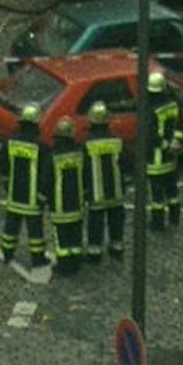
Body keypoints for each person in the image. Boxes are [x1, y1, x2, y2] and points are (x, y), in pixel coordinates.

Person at [0, 105, 49, 267]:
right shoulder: (40, 147)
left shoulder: (10, 143)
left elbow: (4, 168)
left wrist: (7, 186)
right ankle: (37, 259)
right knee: (35, 233)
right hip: (33, 199)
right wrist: (42, 196)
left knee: (11, 228)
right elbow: (45, 174)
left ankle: (7, 254)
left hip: (14, 195)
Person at [83, 99, 127, 260]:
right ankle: (117, 247)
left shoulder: (88, 142)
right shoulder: (117, 140)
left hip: (96, 193)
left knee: (95, 223)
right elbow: (126, 163)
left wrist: (84, 189)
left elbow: (85, 169)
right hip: (116, 191)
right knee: (116, 221)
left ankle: (95, 252)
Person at [47, 117, 87, 275]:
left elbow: (47, 181)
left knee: (62, 240)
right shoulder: (79, 155)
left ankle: (64, 266)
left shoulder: (53, 157)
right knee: (76, 236)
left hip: (59, 207)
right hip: (77, 204)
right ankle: (76, 263)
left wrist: (43, 199)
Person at [146, 70, 183, 231]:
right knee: (172, 190)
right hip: (172, 158)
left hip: (156, 160)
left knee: (157, 195)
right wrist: (176, 141)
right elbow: (180, 125)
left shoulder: (151, 110)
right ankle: (175, 217)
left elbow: (151, 136)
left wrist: (165, 145)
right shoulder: (173, 104)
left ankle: (157, 222)